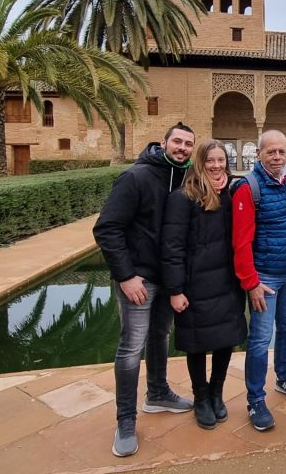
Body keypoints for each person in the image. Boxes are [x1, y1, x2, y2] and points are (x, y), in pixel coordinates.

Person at [93, 122, 196, 458]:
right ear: (163, 142)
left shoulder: (187, 179)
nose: (182, 148)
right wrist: (125, 275)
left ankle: (158, 393)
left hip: (168, 278)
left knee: (158, 338)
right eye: (177, 141)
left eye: (188, 144)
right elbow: (107, 228)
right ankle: (125, 420)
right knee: (131, 346)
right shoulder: (136, 177)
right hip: (138, 279)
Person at [161, 139, 247, 430]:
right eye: (210, 160)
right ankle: (200, 398)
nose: (216, 165)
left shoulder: (232, 193)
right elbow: (171, 248)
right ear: (200, 162)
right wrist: (175, 290)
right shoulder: (183, 197)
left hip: (227, 282)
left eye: (221, 160)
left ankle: (216, 392)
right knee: (197, 344)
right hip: (195, 286)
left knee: (225, 340)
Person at [232, 130, 286, 431]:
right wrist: (250, 282)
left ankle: (284, 376)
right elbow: (240, 242)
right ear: (259, 154)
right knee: (261, 339)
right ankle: (255, 398)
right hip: (265, 278)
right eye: (271, 152)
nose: (277, 157)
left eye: (281, 151)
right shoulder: (248, 188)